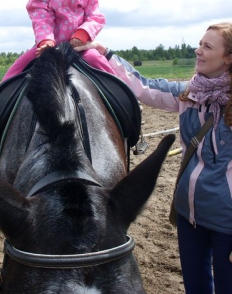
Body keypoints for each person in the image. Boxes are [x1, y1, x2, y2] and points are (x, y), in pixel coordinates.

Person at [75, 22, 232, 294]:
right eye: (199, 44)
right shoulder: (189, 94)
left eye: (207, 47)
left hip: (228, 222)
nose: (198, 51)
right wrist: (107, 54)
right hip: (189, 214)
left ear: (228, 58)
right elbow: (145, 88)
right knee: (196, 288)